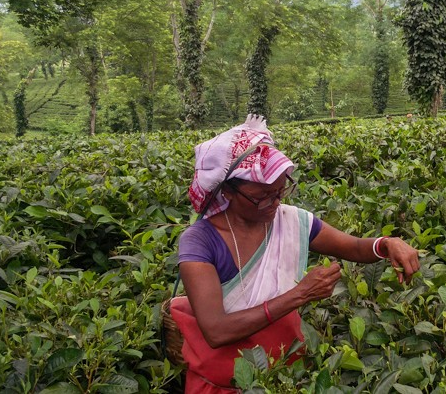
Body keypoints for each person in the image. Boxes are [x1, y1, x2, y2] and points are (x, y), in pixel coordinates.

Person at [170, 115, 420, 393]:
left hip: (286, 375)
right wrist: (301, 294)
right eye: (262, 196)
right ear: (227, 191)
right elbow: (216, 331)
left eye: (280, 192)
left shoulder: (291, 221)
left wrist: (387, 244)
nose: (275, 203)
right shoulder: (199, 242)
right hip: (221, 383)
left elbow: (355, 247)